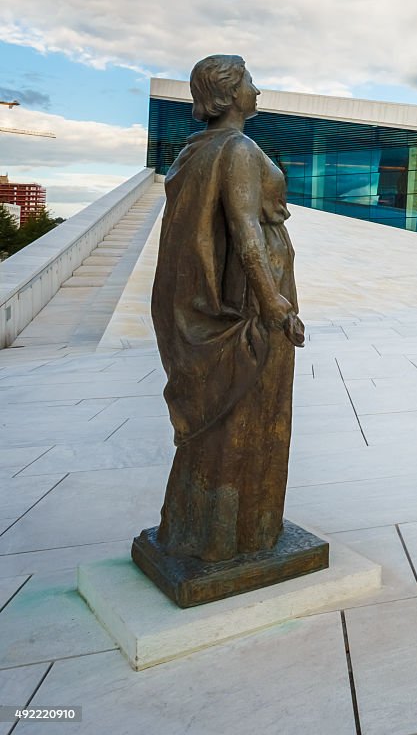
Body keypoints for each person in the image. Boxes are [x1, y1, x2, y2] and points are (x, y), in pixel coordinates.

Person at [151, 55, 304, 562]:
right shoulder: (237, 148)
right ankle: (239, 537)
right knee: (250, 411)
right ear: (229, 93)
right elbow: (244, 230)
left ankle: (203, 531)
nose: (258, 91)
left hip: (247, 292)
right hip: (252, 301)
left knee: (232, 417)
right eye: (250, 83)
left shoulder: (195, 150)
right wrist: (273, 303)